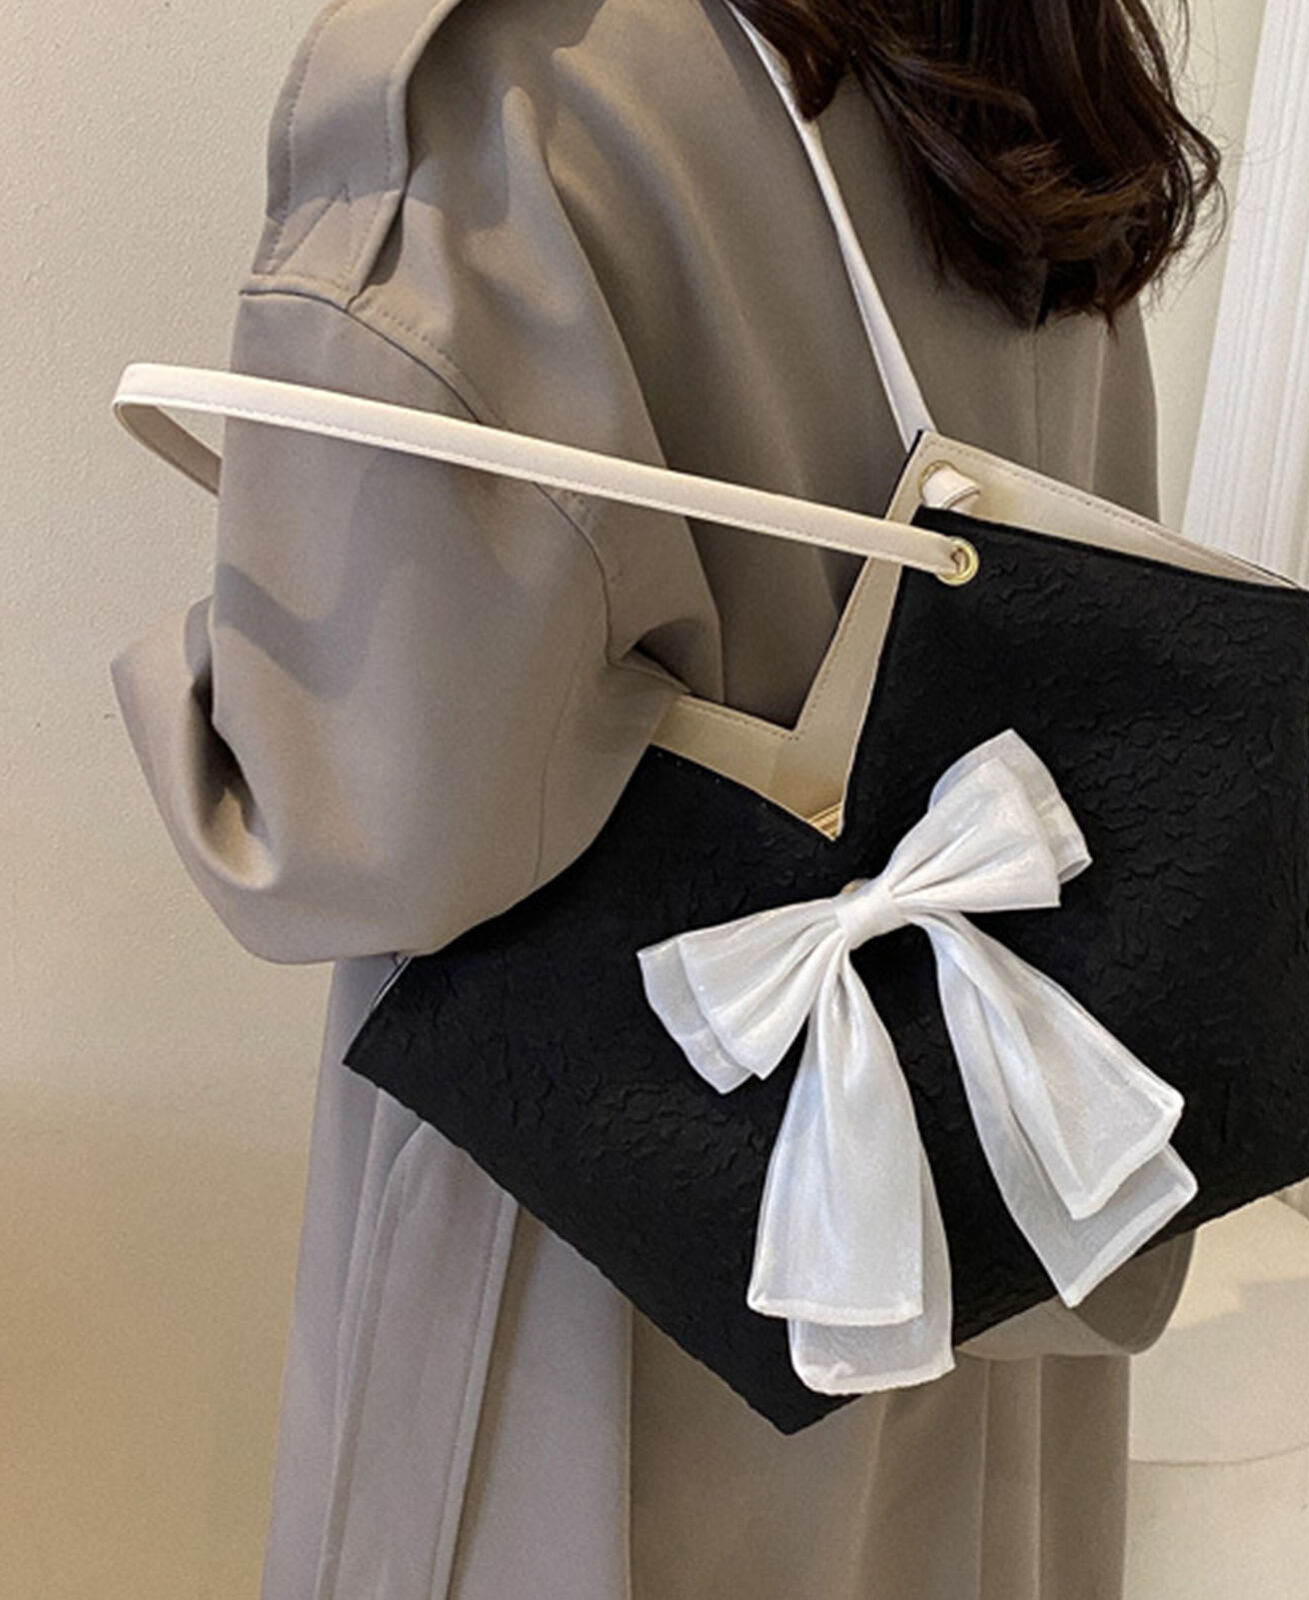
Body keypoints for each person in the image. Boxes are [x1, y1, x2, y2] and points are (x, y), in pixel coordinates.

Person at [111, 0, 1223, 1594]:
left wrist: (187, 667)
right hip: (983, 1195)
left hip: (625, 1252)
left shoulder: (521, 95)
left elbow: (357, 826)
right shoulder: (1032, 75)